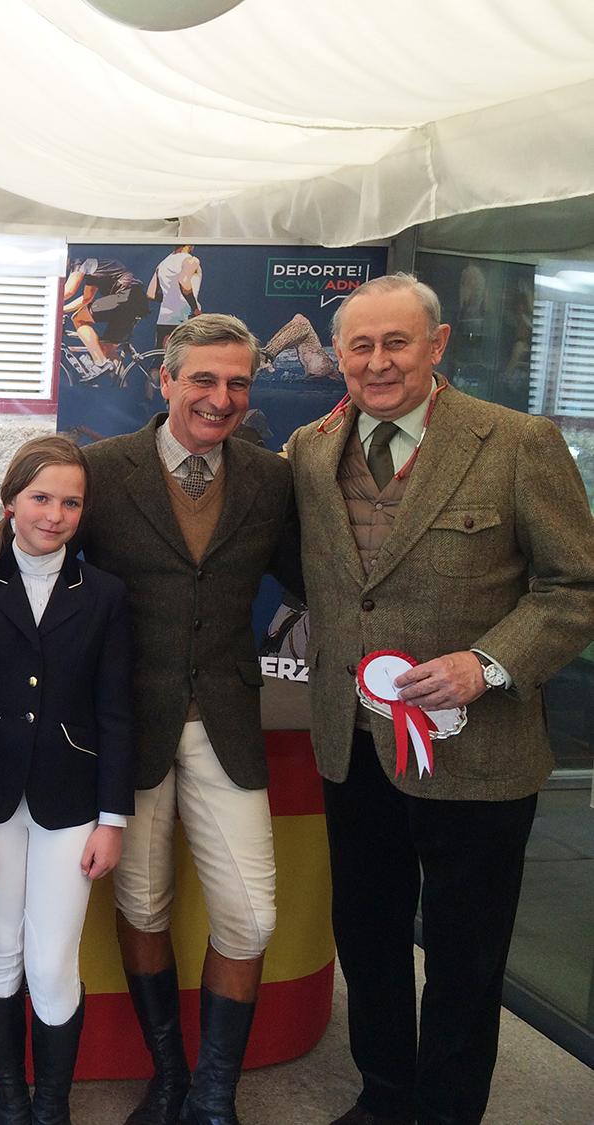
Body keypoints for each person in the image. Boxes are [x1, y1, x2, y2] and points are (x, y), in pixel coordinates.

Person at [287, 273, 594, 1125]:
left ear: (438, 343)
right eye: (360, 344)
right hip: (354, 743)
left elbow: (576, 585)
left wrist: (487, 662)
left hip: (481, 750)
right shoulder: (311, 448)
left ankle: (446, 1111)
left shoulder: (518, 441)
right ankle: (385, 1095)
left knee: (465, 954)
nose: (378, 362)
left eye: (397, 342)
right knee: (371, 937)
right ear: (338, 354)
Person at [76, 313, 302, 1125]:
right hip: (127, 730)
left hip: (228, 723)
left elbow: (320, 579)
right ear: (165, 380)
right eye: (203, 379)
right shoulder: (101, 470)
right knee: (142, 904)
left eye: (238, 382)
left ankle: (214, 1098)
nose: (221, 397)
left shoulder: (273, 479)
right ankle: (170, 1077)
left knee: (252, 913)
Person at [0, 435, 135, 1125]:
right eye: (41, 497)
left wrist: (114, 820)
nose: (54, 514)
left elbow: (116, 711)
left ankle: (52, 1103)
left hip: (72, 803)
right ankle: (10, 1098)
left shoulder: (106, 594)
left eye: (70, 501)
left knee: (51, 961)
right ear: (11, 500)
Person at [63, 255, 150, 380]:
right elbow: (86, 299)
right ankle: (121, 388)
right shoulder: (97, 268)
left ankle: (100, 362)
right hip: (137, 300)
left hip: (124, 295)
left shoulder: (80, 262)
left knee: (78, 319)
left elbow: (68, 291)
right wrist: (62, 309)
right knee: (108, 349)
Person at [147, 245, 203, 348]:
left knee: (161, 357)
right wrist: (195, 309)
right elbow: (184, 282)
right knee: (184, 358)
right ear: (190, 245)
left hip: (164, 318)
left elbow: (151, 294)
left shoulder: (162, 264)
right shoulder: (190, 260)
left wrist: (169, 300)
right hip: (186, 317)